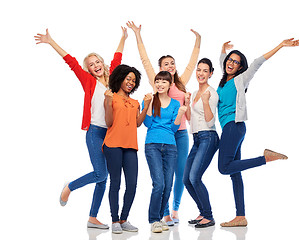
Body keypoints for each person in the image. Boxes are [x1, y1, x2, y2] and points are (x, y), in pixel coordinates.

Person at [34, 27, 127, 229]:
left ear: (103, 63)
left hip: (110, 134)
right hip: (94, 132)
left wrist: (123, 37)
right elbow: (71, 62)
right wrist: (51, 42)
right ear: (89, 70)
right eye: (91, 65)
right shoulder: (88, 81)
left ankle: (92, 218)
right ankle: (69, 187)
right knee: (101, 174)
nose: (95, 65)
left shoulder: (113, 81)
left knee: (103, 177)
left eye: (97, 61)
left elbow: (117, 58)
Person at [217, 38, 299, 227]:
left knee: (224, 168)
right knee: (235, 172)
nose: (230, 63)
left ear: (241, 68)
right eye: (229, 60)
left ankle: (265, 158)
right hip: (233, 129)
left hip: (233, 126)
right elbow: (222, 59)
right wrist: (223, 49)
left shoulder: (241, 79)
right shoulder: (223, 81)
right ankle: (241, 216)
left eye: (235, 62)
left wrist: (280, 45)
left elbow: (257, 63)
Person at [126, 21, 200, 225]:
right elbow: (145, 59)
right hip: (160, 134)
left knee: (179, 174)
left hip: (180, 133)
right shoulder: (156, 81)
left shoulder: (181, 82)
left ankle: (175, 209)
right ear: (160, 70)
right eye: (166, 64)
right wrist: (137, 34)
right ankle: (164, 213)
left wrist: (198, 40)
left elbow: (192, 64)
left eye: (172, 63)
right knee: (162, 179)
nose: (171, 66)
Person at [103, 64, 152, 234]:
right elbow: (109, 122)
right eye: (128, 79)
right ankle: (114, 220)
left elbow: (138, 123)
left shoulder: (135, 102)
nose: (130, 82)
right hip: (113, 145)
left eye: (133, 80)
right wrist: (108, 102)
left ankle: (124, 219)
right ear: (120, 78)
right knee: (115, 183)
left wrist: (146, 106)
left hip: (130, 146)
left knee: (132, 184)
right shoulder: (111, 97)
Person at [143, 71, 188, 233]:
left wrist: (181, 114)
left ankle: (160, 217)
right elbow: (147, 123)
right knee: (159, 183)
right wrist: (148, 104)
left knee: (168, 185)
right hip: (152, 144)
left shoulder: (175, 104)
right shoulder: (150, 99)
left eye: (163, 81)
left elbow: (174, 128)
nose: (160, 84)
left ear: (170, 85)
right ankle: (154, 219)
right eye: (158, 81)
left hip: (171, 146)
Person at [183, 58, 219, 228]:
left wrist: (205, 102)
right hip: (197, 138)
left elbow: (210, 122)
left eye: (205, 71)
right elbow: (190, 119)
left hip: (208, 137)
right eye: (199, 70)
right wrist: (188, 104)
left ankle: (209, 216)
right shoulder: (195, 92)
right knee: (186, 179)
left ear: (211, 73)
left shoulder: (211, 93)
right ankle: (203, 212)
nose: (201, 73)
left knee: (195, 177)